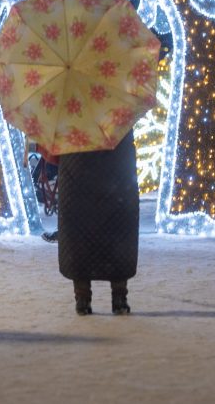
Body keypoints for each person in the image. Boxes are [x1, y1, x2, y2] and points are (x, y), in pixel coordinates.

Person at [58, 129, 139, 316]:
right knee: (118, 233)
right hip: (115, 175)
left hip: (77, 168)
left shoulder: (69, 112)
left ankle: (82, 298)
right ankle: (119, 298)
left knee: (79, 237)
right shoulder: (119, 110)